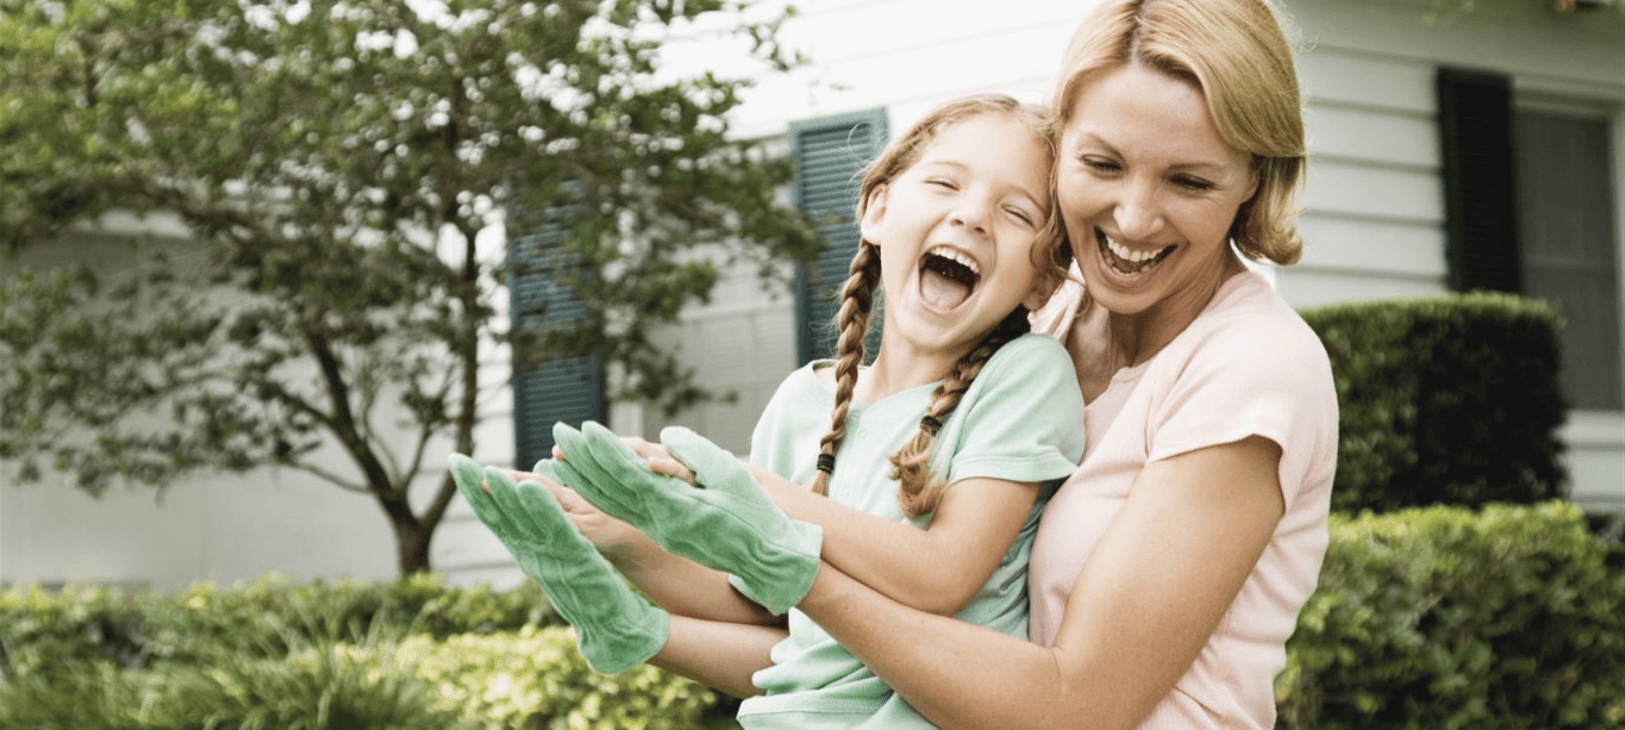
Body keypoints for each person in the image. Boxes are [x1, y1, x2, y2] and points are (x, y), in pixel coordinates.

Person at [485, 0, 1340, 726]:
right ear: (1061, 144)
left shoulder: (1250, 371)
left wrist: (765, 517)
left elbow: (1079, 707)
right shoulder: (1046, 324)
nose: (1134, 216)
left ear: (1254, 182)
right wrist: (631, 540)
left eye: (1188, 181)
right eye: (1100, 164)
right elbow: (837, 656)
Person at [454, 93, 1087, 728]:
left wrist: (752, 491)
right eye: (946, 182)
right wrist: (621, 541)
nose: (973, 216)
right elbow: (783, 622)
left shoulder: (1022, 375)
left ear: (1043, 280)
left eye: (1015, 211)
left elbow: (942, 574)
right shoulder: (800, 406)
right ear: (878, 208)